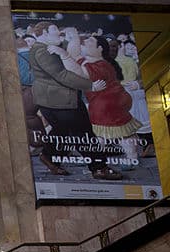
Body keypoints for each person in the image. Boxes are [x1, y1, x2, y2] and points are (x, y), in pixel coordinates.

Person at [27, 23, 121, 180]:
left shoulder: (46, 47)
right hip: (61, 100)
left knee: (62, 130)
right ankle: (99, 168)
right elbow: (62, 75)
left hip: (54, 99)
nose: (60, 32)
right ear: (44, 32)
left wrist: (72, 39)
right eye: (55, 30)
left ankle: (48, 157)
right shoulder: (43, 51)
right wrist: (91, 86)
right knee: (83, 134)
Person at [48, 32, 141, 161]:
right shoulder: (89, 62)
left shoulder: (100, 66)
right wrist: (74, 36)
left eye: (90, 41)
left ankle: (127, 158)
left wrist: (63, 54)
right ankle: (100, 159)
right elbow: (75, 55)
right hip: (110, 102)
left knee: (113, 133)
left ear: (100, 48)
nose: (85, 42)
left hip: (108, 104)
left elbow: (77, 71)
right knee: (113, 132)